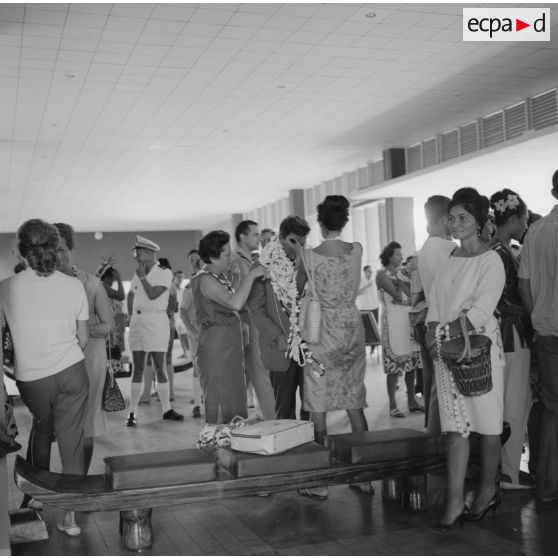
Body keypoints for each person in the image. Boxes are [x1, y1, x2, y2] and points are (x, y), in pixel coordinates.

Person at [0, 219, 89, 536]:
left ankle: (36, 498)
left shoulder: (7, 287)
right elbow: (84, 338)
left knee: (42, 427)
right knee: (72, 443)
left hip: (31, 380)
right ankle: (71, 519)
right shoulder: (73, 285)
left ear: (22, 250)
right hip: (71, 373)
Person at [425, 187, 506, 530]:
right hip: (446, 352)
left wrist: (446, 336)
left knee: (487, 427)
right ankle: (455, 501)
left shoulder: (491, 261)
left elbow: (481, 311)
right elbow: (435, 304)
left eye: (463, 219)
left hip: (478, 353)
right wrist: (432, 333)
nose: (455, 225)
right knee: (454, 429)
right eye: (452, 219)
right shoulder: (449, 259)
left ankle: (487, 490)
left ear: (479, 222)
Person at [297, 195, 372, 498]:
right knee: (354, 398)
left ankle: (320, 481)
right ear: (344, 221)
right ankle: (364, 476)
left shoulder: (308, 256)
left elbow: (298, 287)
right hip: (352, 329)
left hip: (321, 334)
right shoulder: (357, 250)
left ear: (319, 221)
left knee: (318, 402)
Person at [54, 223, 115, 474]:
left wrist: (81, 329)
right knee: (59, 423)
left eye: (61, 249)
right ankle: (63, 475)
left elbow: (108, 325)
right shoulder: (44, 284)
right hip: (56, 363)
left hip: (90, 360)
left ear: (72, 249)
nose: (56, 256)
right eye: (51, 250)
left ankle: (79, 479)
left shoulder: (91, 283)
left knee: (86, 424)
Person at [191, 231, 267, 424]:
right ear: (214, 256)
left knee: (234, 396)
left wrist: (235, 276)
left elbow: (227, 299)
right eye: (226, 254)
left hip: (228, 347)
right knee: (220, 396)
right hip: (216, 350)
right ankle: (218, 446)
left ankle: (232, 442)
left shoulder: (218, 276)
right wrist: (250, 276)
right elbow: (234, 303)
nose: (230, 257)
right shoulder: (206, 279)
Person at [487, 190, 532, 491]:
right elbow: (505, 299)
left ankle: (502, 470)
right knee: (514, 405)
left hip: (501, 335)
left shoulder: (494, 250)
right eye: (525, 218)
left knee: (505, 404)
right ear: (514, 218)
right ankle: (508, 473)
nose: (527, 223)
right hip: (512, 334)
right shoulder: (502, 254)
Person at [518, 170, 558, 507]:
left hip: (546, 330)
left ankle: (546, 488)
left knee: (552, 410)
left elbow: (523, 284)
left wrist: (536, 317)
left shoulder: (537, 230)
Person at [249, 215, 311, 422]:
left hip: (308, 344)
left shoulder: (307, 262)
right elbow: (256, 310)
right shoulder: (261, 265)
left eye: (303, 243)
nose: (299, 247)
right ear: (282, 237)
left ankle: (313, 450)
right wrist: (276, 336)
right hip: (280, 347)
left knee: (312, 406)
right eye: (295, 242)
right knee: (284, 411)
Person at [126, 236, 183, 427]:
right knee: (138, 367)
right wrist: (130, 315)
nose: (136, 255)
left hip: (156, 320)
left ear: (149, 253)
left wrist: (142, 276)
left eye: (139, 251)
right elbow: (132, 294)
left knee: (159, 366)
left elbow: (152, 294)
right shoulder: (137, 273)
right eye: (136, 251)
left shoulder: (164, 272)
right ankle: (132, 412)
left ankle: (166, 409)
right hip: (138, 321)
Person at [415, 196, 457, 434]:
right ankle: (437, 440)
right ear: (443, 219)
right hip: (445, 321)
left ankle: (433, 438)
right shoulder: (448, 247)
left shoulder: (426, 247)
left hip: (431, 318)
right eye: (453, 219)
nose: (454, 225)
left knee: (434, 382)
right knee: (443, 386)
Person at [231, 220, 276, 420]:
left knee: (257, 374)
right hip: (247, 322)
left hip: (254, 321)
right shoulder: (236, 261)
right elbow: (236, 297)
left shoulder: (246, 260)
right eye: (256, 234)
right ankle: (272, 420)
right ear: (243, 236)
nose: (259, 239)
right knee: (259, 374)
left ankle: (265, 415)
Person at [376, 241, 422, 417]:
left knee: (410, 365)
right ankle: (393, 405)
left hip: (406, 322)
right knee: (394, 367)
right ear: (389, 256)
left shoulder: (401, 273)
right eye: (398, 254)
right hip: (392, 324)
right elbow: (398, 294)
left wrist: (406, 292)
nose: (401, 257)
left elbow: (411, 295)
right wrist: (406, 290)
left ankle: (411, 401)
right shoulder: (382, 275)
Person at [180, 249, 204, 418]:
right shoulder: (190, 286)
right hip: (196, 331)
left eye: (197, 259)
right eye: (192, 260)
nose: (195, 262)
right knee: (198, 367)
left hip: (212, 330)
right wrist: (193, 331)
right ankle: (197, 404)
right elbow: (182, 311)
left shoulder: (211, 279)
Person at [172, 270, 189, 357]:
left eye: (182, 277)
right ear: (174, 277)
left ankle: (187, 352)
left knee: (184, 334)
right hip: (173, 315)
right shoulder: (170, 289)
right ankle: (185, 352)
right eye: (179, 277)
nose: (181, 279)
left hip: (182, 314)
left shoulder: (183, 290)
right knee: (180, 334)